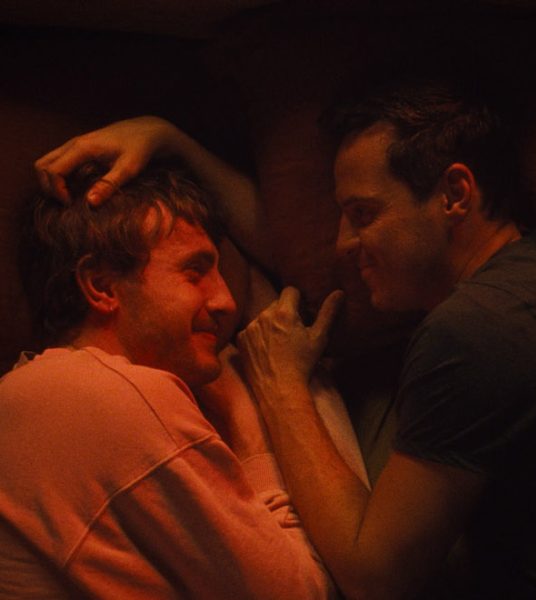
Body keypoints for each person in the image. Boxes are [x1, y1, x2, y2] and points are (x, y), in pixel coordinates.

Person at [35, 79, 536, 599]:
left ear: (454, 195)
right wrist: (174, 141)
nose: (343, 243)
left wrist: (281, 385)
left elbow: (374, 576)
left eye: (362, 214)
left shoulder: (478, 330)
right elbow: (301, 263)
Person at [0, 162, 336, 598]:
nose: (225, 301)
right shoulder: (116, 394)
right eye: (194, 272)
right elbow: (302, 593)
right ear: (101, 286)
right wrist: (248, 419)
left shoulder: (24, 394)